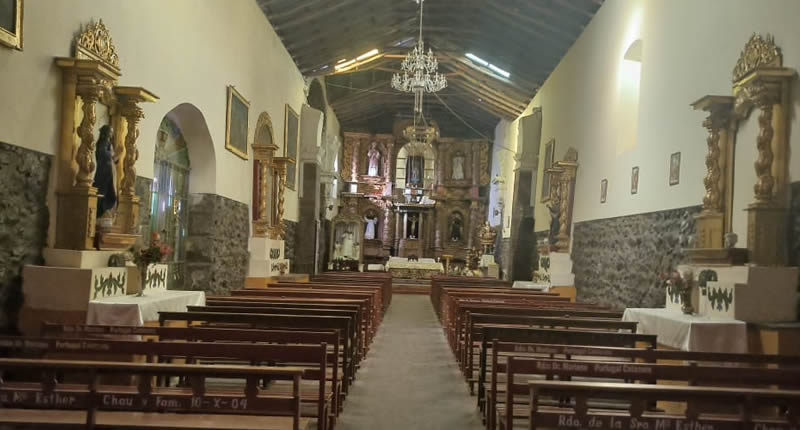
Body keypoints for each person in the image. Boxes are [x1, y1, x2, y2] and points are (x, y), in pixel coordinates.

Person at [93, 125, 117, 219]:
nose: (111, 134)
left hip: (108, 172)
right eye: (110, 132)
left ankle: (105, 211)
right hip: (103, 172)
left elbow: (112, 159)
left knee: (110, 194)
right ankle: (100, 212)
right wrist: (112, 154)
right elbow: (101, 153)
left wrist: (116, 157)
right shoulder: (103, 142)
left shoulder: (108, 143)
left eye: (112, 132)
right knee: (103, 192)